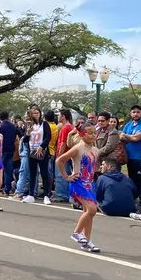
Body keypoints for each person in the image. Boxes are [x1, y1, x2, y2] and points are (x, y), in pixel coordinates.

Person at [56, 123, 101, 253]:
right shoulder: (78, 148)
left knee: (89, 214)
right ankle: (76, 233)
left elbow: (92, 167)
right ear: (82, 134)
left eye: (94, 132)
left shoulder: (96, 151)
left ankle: (87, 241)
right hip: (79, 183)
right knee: (92, 210)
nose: (93, 135)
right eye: (89, 133)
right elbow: (60, 160)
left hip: (89, 184)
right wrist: (66, 176)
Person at [120, 105, 141, 203]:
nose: (136, 114)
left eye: (138, 112)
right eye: (133, 112)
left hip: (140, 159)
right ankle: (133, 201)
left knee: (140, 183)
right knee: (132, 181)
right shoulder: (128, 125)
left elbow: (136, 138)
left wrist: (126, 136)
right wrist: (129, 136)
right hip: (129, 157)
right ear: (131, 113)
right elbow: (121, 138)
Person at [20, 106, 52, 205]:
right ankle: (31, 194)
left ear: (40, 114)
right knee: (32, 174)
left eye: (37, 113)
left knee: (44, 173)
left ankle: (46, 195)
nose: (36, 115)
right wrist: (28, 134)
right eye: (34, 113)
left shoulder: (44, 124)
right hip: (32, 151)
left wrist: (41, 146)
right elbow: (24, 140)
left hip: (42, 152)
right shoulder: (29, 125)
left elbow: (48, 137)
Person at [0, 111, 21, 195]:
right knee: (8, 170)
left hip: (2, 150)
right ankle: (7, 188)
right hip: (11, 149)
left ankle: (0, 186)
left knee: (0, 169)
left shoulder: (0, 126)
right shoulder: (13, 126)